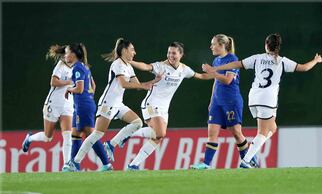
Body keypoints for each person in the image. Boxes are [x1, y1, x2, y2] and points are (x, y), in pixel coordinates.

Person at [203, 33, 322, 168]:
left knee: (272, 128)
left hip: (253, 98)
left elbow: (237, 64)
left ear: (266, 44)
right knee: (262, 133)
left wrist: (217, 68)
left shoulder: (257, 58)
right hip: (267, 100)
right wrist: (315, 60)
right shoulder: (282, 61)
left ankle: (249, 158)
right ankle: (247, 160)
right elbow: (304, 67)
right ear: (278, 47)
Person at [115, 41, 213, 170]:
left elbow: (200, 76)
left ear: (181, 54)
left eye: (174, 53)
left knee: (158, 137)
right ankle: (128, 135)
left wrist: (216, 74)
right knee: (160, 132)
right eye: (169, 53)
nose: (170, 55)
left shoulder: (184, 69)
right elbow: (145, 66)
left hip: (164, 108)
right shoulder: (161, 66)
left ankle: (133, 165)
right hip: (151, 103)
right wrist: (129, 62)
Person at [65, 38, 160, 171]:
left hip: (118, 104)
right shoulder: (117, 64)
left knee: (137, 123)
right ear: (124, 50)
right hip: (108, 103)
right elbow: (124, 83)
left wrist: (153, 81)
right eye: (132, 49)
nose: (134, 52)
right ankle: (74, 162)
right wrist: (143, 85)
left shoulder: (128, 66)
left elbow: (137, 84)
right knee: (97, 134)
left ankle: (111, 144)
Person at [190, 34, 258, 170]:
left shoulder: (232, 59)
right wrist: (212, 99)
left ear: (222, 45)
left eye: (213, 44)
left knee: (237, 133)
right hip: (217, 101)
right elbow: (216, 81)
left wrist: (212, 71)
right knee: (212, 132)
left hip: (231, 100)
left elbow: (228, 80)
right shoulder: (216, 61)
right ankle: (206, 164)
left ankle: (251, 161)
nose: (211, 47)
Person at [22, 45, 74, 171]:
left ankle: (66, 164)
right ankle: (29, 139)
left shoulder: (77, 68)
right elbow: (53, 82)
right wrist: (68, 82)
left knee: (67, 135)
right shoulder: (60, 66)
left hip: (67, 105)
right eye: (69, 53)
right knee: (47, 138)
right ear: (64, 55)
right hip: (53, 104)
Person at [61, 43, 112, 172]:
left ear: (74, 54)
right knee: (75, 134)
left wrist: (69, 90)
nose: (65, 55)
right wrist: (88, 97)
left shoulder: (77, 68)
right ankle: (74, 165)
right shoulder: (84, 67)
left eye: (67, 53)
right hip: (83, 105)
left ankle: (106, 164)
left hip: (83, 106)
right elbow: (93, 86)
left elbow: (79, 88)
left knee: (91, 135)